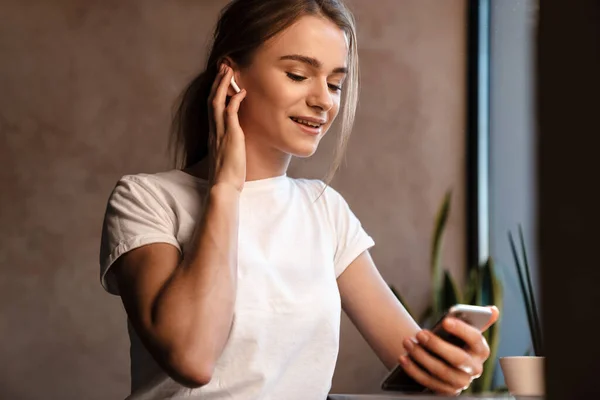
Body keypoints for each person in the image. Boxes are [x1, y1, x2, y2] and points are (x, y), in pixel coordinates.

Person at [98, 0, 500, 399]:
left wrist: (451, 366)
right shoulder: (145, 200)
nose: (323, 100)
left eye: (335, 83)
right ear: (231, 76)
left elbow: (416, 361)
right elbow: (192, 358)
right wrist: (225, 188)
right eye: (297, 74)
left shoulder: (325, 211)